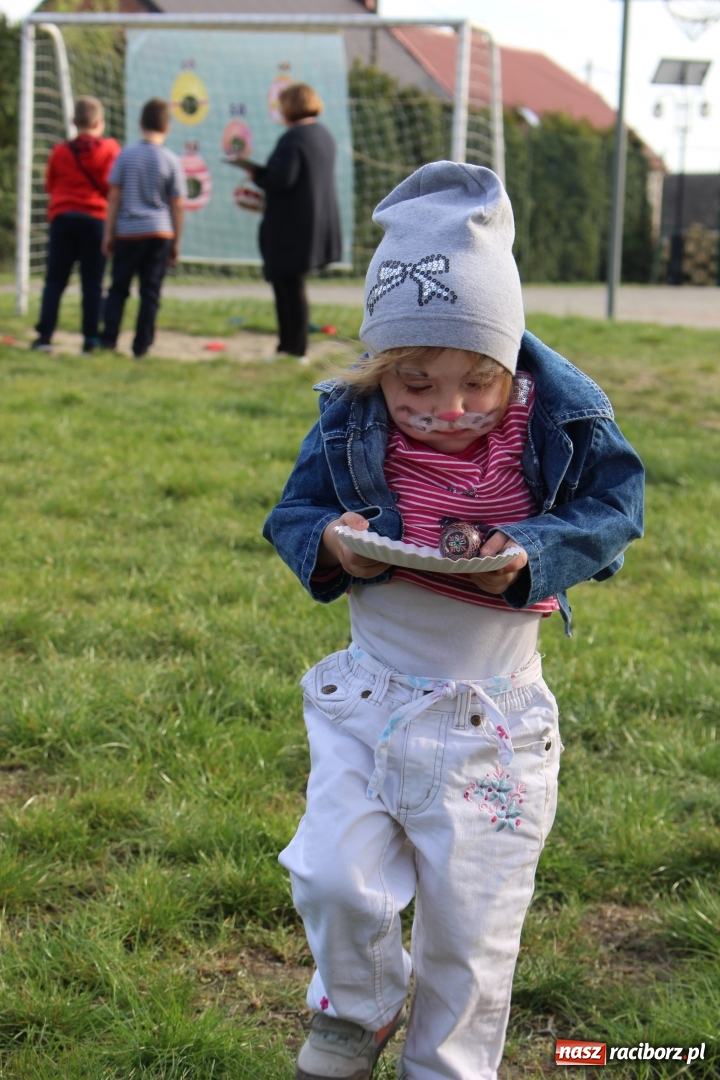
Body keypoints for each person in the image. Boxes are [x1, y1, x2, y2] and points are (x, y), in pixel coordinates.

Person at [262, 163, 644, 1080]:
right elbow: (292, 516)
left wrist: (532, 551)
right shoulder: (352, 418)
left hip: (495, 723)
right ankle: (358, 1006)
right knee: (329, 877)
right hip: (370, 695)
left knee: (469, 937)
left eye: (475, 382)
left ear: (508, 357)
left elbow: (614, 513)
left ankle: (448, 1067)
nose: (447, 410)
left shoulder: (561, 418)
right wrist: (334, 545)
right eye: (416, 385)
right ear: (381, 367)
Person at [231, 82, 341, 364]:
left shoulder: (293, 138)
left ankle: (294, 348)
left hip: (291, 227)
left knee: (288, 287)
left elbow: (282, 179)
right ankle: (290, 348)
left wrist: (256, 174)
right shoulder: (323, 135)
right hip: (313, 223)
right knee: (293, 285)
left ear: (290, 106)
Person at [32, 96, 120, 355]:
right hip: (96, 220)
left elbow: (50, 185)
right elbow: (113, 188)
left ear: (73, 122)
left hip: (63, 218)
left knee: (55, 281)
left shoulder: (59, 151)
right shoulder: (110, 150)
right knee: (92, 284)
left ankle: (45, 336)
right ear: (99, 122)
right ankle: (90, 340)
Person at [99, 98, 186, 359]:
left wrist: (108, 232)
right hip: (160, 233)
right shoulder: (171, 160)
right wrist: (176, 241)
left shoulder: (125, 155)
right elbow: (178, 205)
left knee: (118, 288)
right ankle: (142, 345)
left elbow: (114, 196)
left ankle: (109, 339)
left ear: (140, 125)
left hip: (128, 231)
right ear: (167, 127)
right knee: (150, 291)